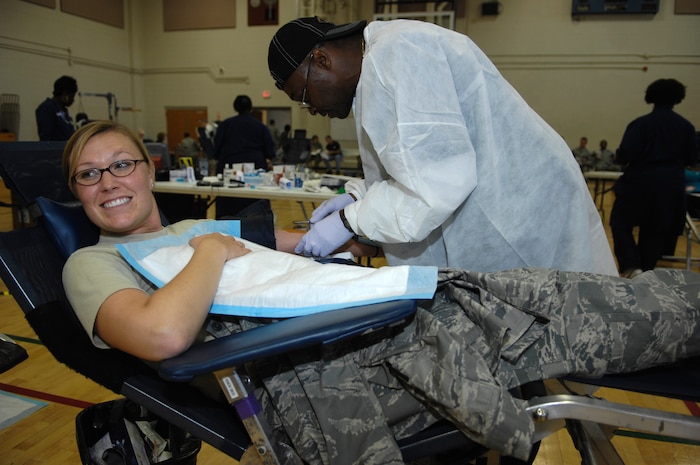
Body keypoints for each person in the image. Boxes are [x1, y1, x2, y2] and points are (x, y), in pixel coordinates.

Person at [61, 122, 700, 465]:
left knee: (556, 294)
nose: (108, 182)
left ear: (150, 169)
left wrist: (353, 224)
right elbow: (164, 335)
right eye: (88, 175)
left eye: (121, 164)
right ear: (77, 191)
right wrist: (208, 252)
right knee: (562, 311)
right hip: (325, 363)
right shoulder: (94, 263)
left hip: (368, 319)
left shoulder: (193, 227)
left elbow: (302, 251)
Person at [268, 17, 616, 276]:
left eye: (303, 95)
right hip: (488, 204)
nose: (311, 108)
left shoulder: (399, 52)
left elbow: (438, 182)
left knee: (532, 323)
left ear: (322, 60)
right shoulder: (372, 73)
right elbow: (409, 168)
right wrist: (359, 196)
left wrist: (348, 220)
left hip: (517, 213)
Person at [610, 79, 699, 277]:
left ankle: (630, 266)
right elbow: (693, 159)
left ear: (650, 96)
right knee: (655, 231)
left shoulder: (640, 124)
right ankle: (646, 272)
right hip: (671, 186)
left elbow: (625, 155)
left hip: (639, 183)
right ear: (678, 98)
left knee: (620, 223)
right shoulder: (686, 127)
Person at [213, 95, 276, 217]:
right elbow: (270, 151)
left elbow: (216, 148)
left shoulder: (226, 125)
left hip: (229, 172)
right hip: (254, 174)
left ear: (235, 107)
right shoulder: (260, 126)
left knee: (227, 209)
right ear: (251, 108)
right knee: (254, 209)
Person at [35, 75, 78, 141]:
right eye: (72, 96)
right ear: (65, 93)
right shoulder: (46, 108)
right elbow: (45, 138)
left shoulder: (64, 111)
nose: (73, 100)